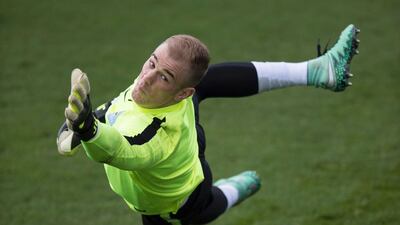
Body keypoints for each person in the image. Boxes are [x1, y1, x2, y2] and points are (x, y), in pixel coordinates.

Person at [57, 24, 360, 225]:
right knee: (203, 78)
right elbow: (112, 109)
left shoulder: (159, 132)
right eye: (152, 63)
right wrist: (76, 124)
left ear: (181, 93)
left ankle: (235, 189)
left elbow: (121, 150)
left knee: (203, 210)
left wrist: (88, 132)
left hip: (180, 200)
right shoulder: (157, 90)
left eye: (164, 76)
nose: (145, 78)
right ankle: (317, 71)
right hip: (186, 142)